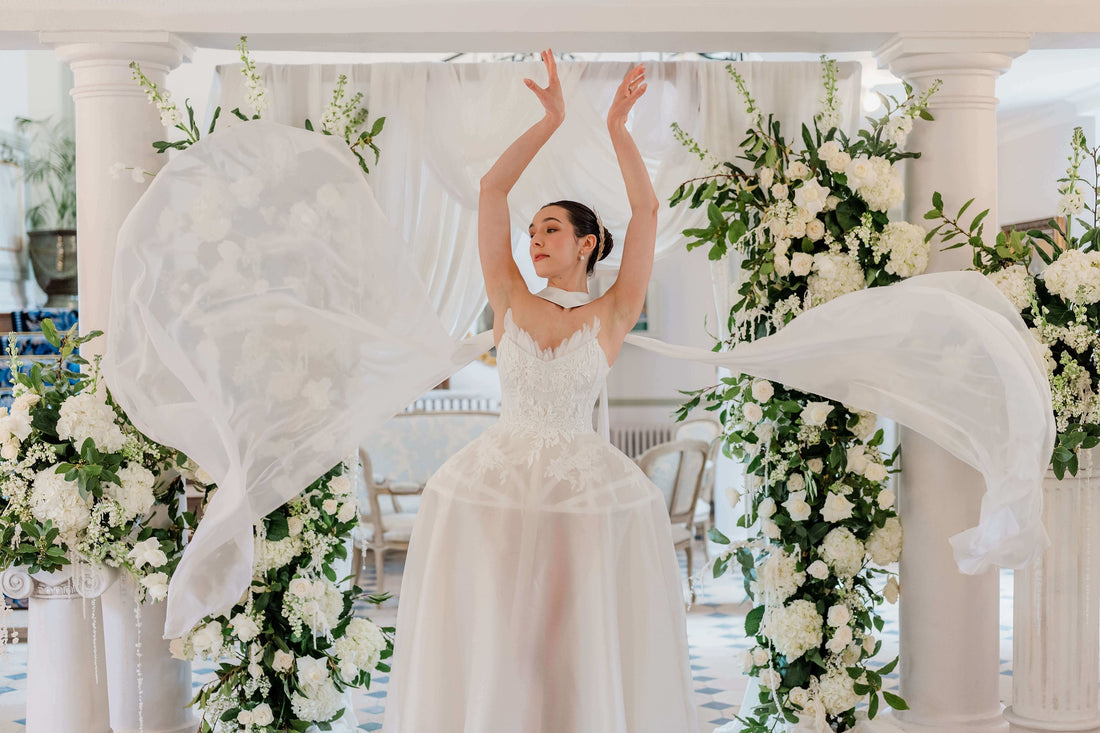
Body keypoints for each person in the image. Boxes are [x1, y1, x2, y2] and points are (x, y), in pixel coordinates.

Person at [380, 50, 701, 732]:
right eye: (532, 233)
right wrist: (550, 119)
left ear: (588, 243)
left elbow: (645, 208)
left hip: (579, 488)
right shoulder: (509, 300)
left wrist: (618, 127)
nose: (533, 241)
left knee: (566, 640)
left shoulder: (612, 313)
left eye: (550, 228)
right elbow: (494, 192)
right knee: (503, 635)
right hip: (499, 481)